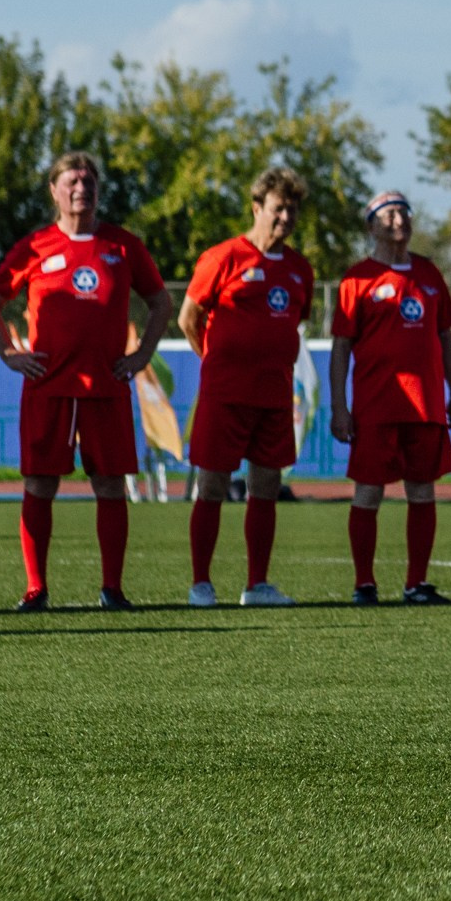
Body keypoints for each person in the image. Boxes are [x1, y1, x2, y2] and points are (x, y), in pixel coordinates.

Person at [0, 151, 171, 611]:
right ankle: (36, 588)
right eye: (71, 181)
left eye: (88, 181)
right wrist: (9, 353)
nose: (81, 188)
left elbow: (160, 303)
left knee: (110, 484)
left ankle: (112, 588)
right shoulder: (35, 246)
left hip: (106, 385)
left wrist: (141, 353)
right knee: (40, 484)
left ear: (98, 190)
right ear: (54, 191)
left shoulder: (122, 246)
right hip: (48, 384)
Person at [179, 166, 315, 608]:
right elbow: (188, 318)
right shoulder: (222, 257)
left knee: (265, 486)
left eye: (292, 210)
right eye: (278, 208)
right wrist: (215, 361)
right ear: (257, 208)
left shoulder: (299, 270)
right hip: (224, 394)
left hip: (274, 394)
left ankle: (257, 585)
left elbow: (293, 325)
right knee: (212, 485)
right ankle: (201, 583)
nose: (285, 218)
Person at [329, 190, 451, 606]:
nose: (399, 219)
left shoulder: (428, 273)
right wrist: (339, 406)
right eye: (389, 214)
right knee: (368, 492)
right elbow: (340, 347)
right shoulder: (357, 279)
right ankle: (364, 584)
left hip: (424, 406)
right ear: (371, 225)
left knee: (422, 491)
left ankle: (416, 584)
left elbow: (445, 338)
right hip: (375, 407)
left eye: (405, 212)